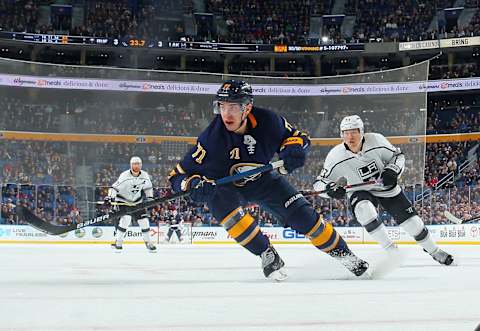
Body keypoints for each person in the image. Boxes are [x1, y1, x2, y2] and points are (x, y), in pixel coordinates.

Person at [168, 79, 372, 281]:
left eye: (233, 106)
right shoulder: (211, 139)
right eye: (222, 106)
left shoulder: (268, 121)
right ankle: (266, 253)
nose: (226, 113)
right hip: (224, 188)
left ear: (247, 107)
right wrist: (192, 184)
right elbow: (176, 176)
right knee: (224, 210)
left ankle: (347, 257)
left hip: (262, 180)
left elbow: (298, 137)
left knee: (306, 219)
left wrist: (293, 149)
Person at [313, 115, 454, 265]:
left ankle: (434, 251)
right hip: (360, 191)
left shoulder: (377, 140)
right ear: (341, 135)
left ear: (362, 131)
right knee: (364, 210)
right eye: (345, 132)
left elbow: (398, 157)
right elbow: (319, 184)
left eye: (354, 131)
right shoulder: (336, 156)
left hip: (386, 188)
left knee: (414, 224)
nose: (350, 136)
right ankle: (391, 250)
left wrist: (392, 170)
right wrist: (329, 189)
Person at [105, 156, 157, 252]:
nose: (136, 166)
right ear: (131, 165)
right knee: (126, 219)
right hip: (123, 201)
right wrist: (110, 197)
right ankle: (118, 242)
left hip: (137, 201)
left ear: (141, 165)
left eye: (138, 164)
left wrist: (150, 198)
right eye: (134, 164)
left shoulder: (145, 175)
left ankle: (148, 242)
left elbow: (148, 188)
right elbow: (114, 188)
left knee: (144, 221)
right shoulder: (124, 175)